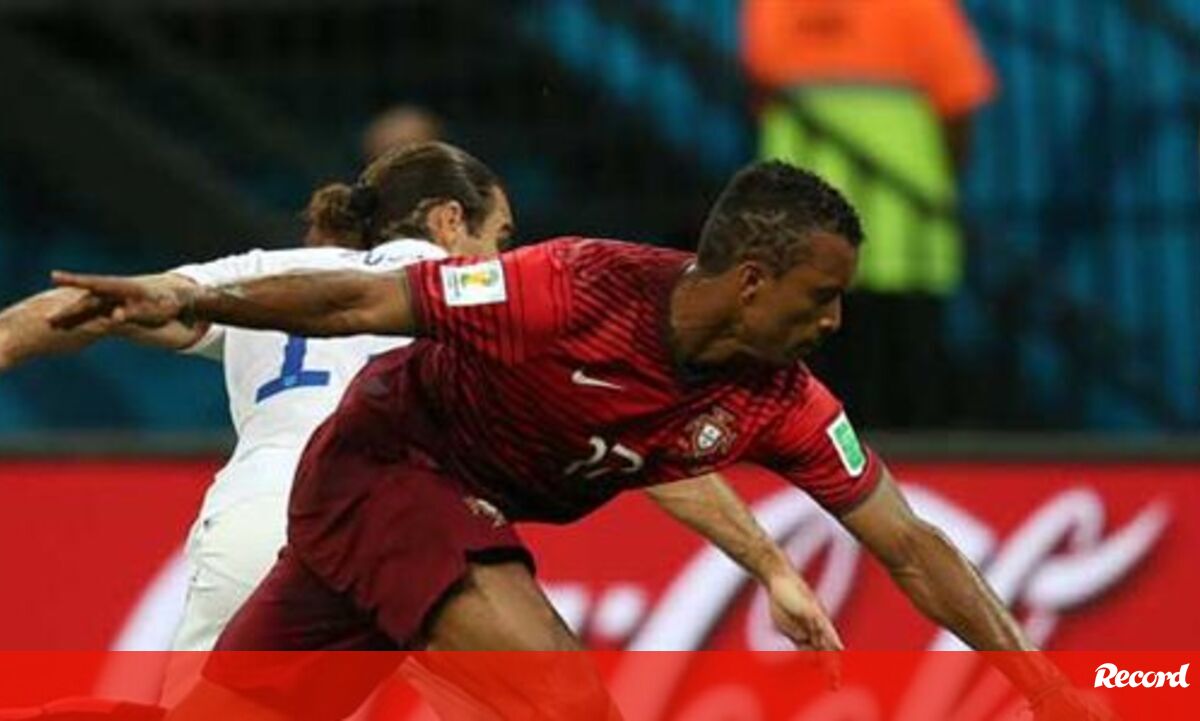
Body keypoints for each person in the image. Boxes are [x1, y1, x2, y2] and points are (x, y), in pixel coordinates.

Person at [53, 160, 1115, 721]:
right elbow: (363, 301)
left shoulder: (781, 400)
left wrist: (1042, 686)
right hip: (390, 469)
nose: (834, 321)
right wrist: (187, 294)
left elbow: (910, 544)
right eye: (820, 295)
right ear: (753, 281)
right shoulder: (569, 288)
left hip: (385, 523)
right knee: (565, 702)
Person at [0, 144, 838, 714]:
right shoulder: (492, 298)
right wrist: (768, 563)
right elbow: (641, 443)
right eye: (500, 233)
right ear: (448, 223)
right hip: (405, 531)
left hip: (253, 524)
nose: (505, 251)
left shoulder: (261, 275)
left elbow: (83, 308)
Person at [742, 0, 997, 427]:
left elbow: (760, 86)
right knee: (907, 398)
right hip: (905, 231)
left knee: (813, 400)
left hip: (801, 237)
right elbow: (958, 108)